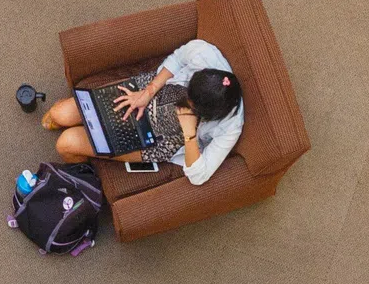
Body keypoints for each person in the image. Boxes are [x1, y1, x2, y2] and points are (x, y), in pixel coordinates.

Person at [39, 36, 244, 185]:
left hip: (161, 140)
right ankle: (92, 135)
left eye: (191, 106)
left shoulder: (230, 127)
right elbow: (177, 58)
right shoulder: (204, 54)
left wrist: (190, 134)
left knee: (66, 143)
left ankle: (90, 162)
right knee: (60, 114)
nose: (185, 104)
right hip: (149, 95)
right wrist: (149, 91)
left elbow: (200, 175)